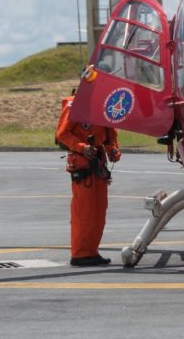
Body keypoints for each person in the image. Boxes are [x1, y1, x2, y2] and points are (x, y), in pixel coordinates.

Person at [55, 92, 121, 267]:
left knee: (99, 211)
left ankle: (91, 252)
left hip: (98, 166)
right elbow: (62, 134)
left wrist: (113, 149)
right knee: (84, 212)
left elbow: (110, 134)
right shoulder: (74, 105)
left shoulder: (105, 103)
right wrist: (82, 147)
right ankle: (80, 254)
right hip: (83, 166)